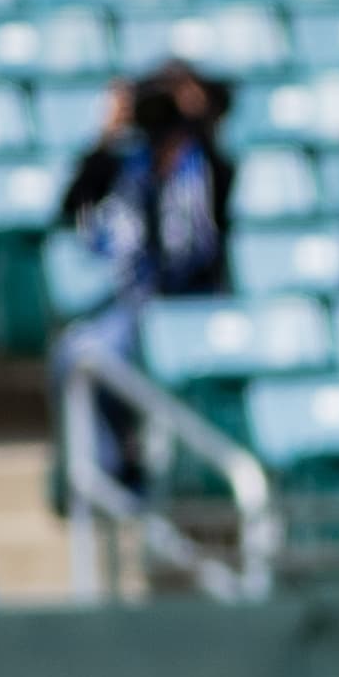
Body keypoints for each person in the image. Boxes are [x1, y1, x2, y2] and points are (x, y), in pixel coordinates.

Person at [52, 59, 236, 493]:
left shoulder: (207, 165)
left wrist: (196, 115)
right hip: (137, 303)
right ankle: (110, 475)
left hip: (197, 300)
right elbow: (71, 207)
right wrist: (107, 134)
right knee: (77, 353)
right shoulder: (125, 165)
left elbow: (221, 204)